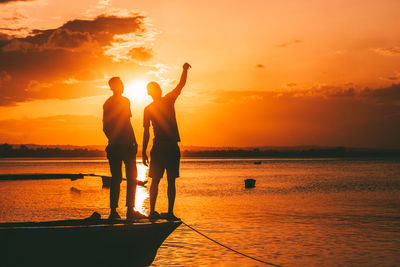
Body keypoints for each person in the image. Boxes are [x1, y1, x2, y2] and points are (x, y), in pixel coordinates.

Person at [142, 62, 191, 220]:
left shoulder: (158, 104)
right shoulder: (159, 104)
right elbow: (146, 132)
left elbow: (181, 84)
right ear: (157, 91)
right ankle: (161, 212)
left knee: (161, 180)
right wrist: (143, 152)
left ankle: (156, 212)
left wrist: (143, 151)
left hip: (163, 147)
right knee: (164, 181)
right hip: (166, 147)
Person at [103, 77, 144, 220]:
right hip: (124, 145)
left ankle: (116, 211)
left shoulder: (107, 103)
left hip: (116, 146)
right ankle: (128, 211)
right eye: (121, 84)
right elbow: (126, 123)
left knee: (117, 178)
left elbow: (105, 127)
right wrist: (132, 141)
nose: (123, 86)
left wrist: (112, 140)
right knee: (130, 178)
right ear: (115, 87)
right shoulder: (123, 101)